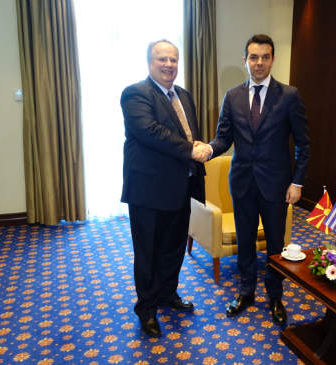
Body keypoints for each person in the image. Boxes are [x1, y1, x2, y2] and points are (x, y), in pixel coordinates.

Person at [208, 34, 310, 325]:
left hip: (276, 185)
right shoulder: (233, 96)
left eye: (265, 57)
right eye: (254, 57)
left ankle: (275, 295)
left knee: (276, 244)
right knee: (246, 241)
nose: (260, 62)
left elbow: (304, 143)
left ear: (273, 59)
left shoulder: (289, 96)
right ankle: (246, 291)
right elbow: (223, 137)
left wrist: (297, 182)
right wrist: (209, 149)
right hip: (241, 183)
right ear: (245, 60)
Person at [120, 39, 211, 337]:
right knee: (148, 252)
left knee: (173, 248)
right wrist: (191, 150)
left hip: (182, 187)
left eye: (173, 59)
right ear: (150, 62)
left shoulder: (183, 95)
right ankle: (146, 308)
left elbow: (189, 133)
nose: (169, 65)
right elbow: (151, 132)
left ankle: (167, 294)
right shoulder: (135, 94)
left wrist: (197, 148)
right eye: (162, 59)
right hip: (149, 190)